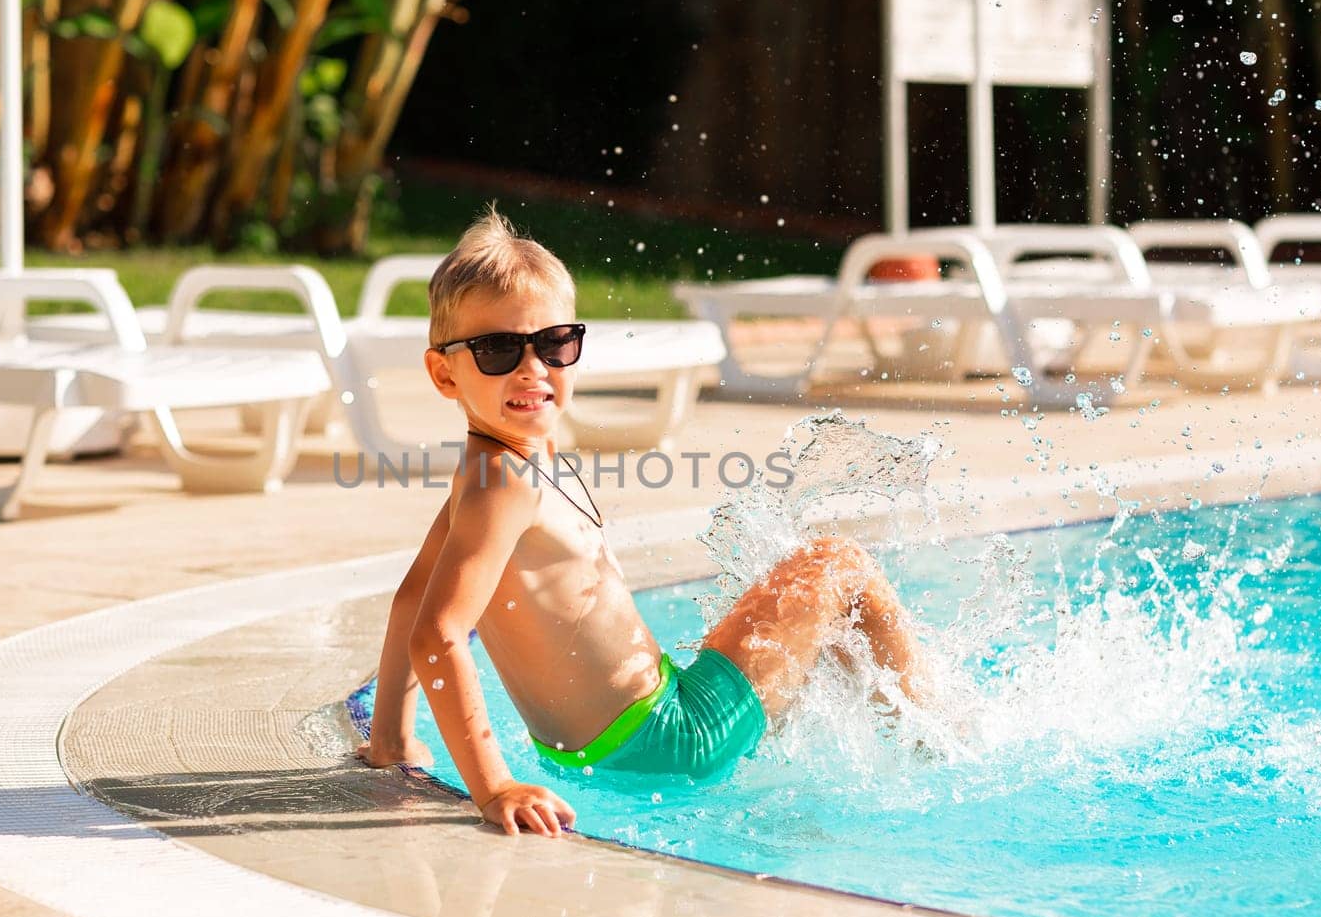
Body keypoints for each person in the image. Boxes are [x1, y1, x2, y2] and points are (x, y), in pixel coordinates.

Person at [359, 209, 931, 837]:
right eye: (497, 350)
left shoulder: (490, 474)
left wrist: (391, 736)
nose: (532, 369)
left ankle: (880, 724)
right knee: (836, 564)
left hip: (606, 745)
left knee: (793, 614)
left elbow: (413, 598)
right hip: (672, 742)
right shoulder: (506, 483)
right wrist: (495, 787)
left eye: (554, 343)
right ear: (445, 373)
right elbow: (436, 634)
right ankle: (939, 738)